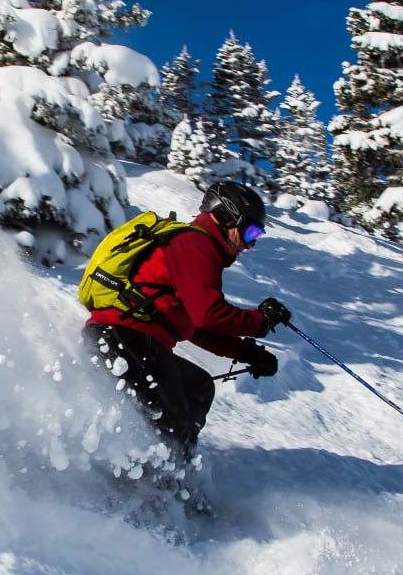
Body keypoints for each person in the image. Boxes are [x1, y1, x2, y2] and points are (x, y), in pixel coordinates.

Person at [83, 181, 292, 458]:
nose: (251, 243)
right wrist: (260, 321)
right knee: (172, 425)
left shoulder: (195, 249)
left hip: (124, 338)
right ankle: (157, 491)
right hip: (128, 337)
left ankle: (171, 474)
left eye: (258, 235)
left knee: (198, 386)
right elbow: (208, 314)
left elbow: (193, 324)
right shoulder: (195, 243)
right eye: (251, 231)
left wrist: (246, 351)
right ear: (227, 216)